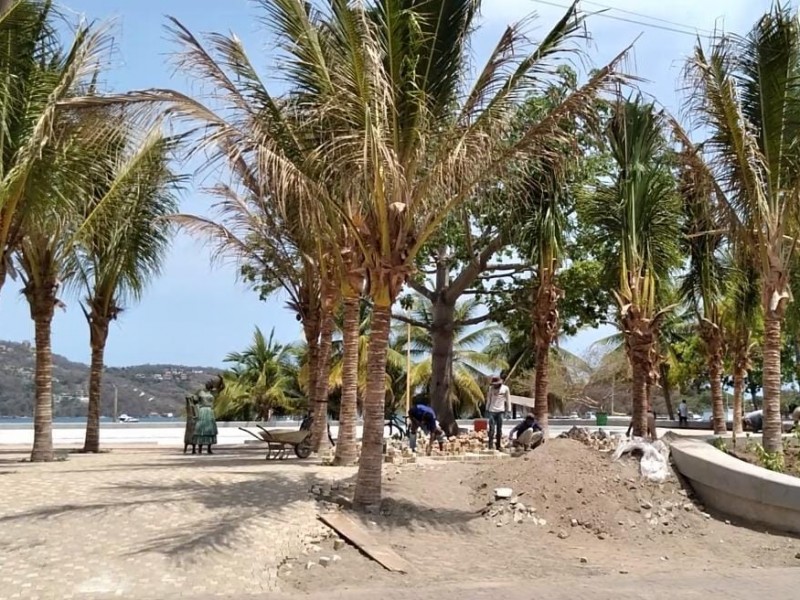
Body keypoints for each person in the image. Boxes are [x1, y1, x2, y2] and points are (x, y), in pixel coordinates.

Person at [192, 377, 221, 454]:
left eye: (209, 384)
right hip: (202, 411)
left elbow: (222, 388)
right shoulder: (200, 392)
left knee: (210, 430)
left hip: (209, 411)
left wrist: (221, 379)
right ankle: (200, 448)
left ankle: (209, 448)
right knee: (201, 429)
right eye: (207, 384)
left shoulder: (213, 393)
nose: (208, 385)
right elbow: (194, 400)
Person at [485, 375, 511, 451]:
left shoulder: (505, 389)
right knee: (491, 429)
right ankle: (490, 445)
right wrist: (487, 410)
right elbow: (489, 399)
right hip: (492, 411)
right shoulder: (490, 389)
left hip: (501, 411)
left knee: (499, 429)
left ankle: (498, 445)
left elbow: (508, 400)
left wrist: (509, 410)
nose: (495, 385)